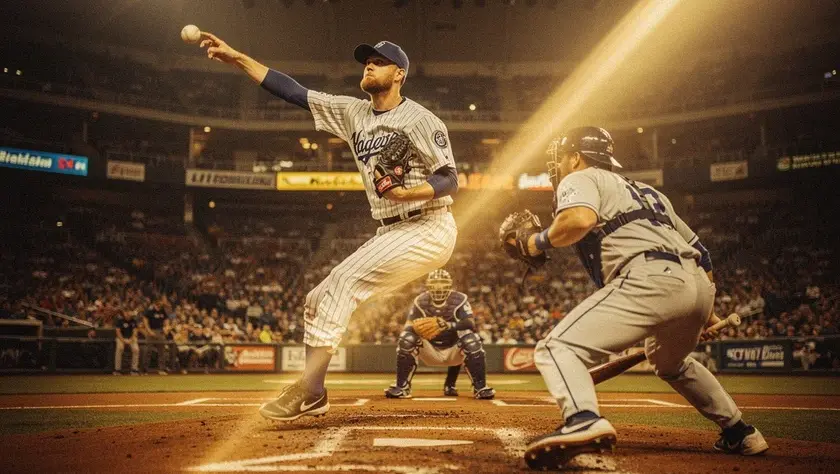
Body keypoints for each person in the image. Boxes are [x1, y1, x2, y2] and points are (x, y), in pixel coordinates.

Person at [198, 33, 459, 421]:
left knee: (342, 282)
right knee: (317, 298)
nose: (368, 65)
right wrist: (237, 57)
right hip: (390, 230)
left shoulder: (421, 119)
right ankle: (315, 392)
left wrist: (408, 194)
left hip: (428, 225)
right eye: (366, 60)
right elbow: (293, 91)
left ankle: (308, 389)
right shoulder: (352, 112)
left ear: (399, 73)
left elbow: (450, 177)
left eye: (379, 61)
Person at [502, 127, 768, 470]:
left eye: (562, 158)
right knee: (668, 361)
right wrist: (701, 313)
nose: (559, 165)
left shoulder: (579, 178)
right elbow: (702, 254)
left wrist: (535, 242)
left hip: (649, 276)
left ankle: (583, 418)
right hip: (696, 285)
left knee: (556, 348)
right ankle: (739, 431)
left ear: (576, 157)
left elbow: (579, 219)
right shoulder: (648, 191)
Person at [385, 269, 495, 400]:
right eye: (435, 283)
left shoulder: (459, 299)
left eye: (442, 282)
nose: (438, 286)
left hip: (454, 351)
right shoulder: (420, 301)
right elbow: (408, 327)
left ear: (449, 284)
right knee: (406, 338)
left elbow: (470, 324)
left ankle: (480, 388)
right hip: (429, 349)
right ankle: (402, 387)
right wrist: (417, 328)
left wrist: (448, 325)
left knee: (471, 339)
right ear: (428, 285)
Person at [113, 310, 140, 375]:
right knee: (120, 348)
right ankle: (117, 370)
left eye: (129, 313)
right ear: (124, 313)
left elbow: (135, 331)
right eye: (126, 312)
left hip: (131, 338)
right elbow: (118, 332)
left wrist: (131, 340)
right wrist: (123, 340)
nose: (128, 314)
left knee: (136, 349)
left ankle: (134, 369)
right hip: (121, 338)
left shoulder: (133, 320)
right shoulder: (120, 320)